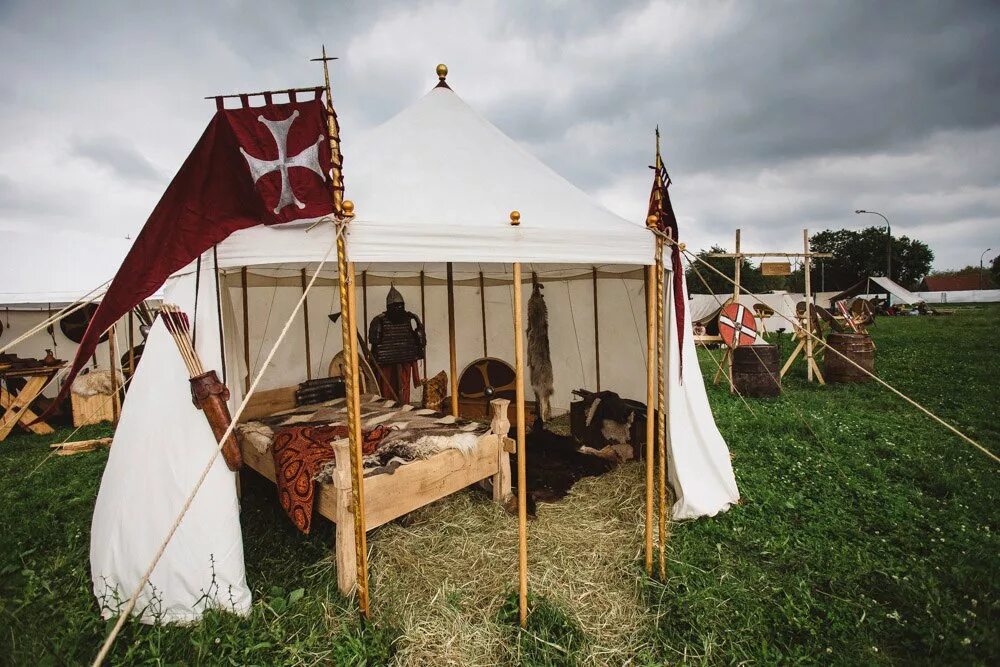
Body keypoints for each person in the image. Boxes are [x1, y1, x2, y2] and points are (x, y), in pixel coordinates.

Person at [367, 286, 426, 403]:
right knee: (387, 388)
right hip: (388, 360)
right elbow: (375, 341)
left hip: (401, 357)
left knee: (401, 386)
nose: (398, 308)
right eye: (396, 306)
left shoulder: (411, 317)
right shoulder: (380, 320)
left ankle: (401, 404)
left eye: (400, 305)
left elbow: (421, 340)